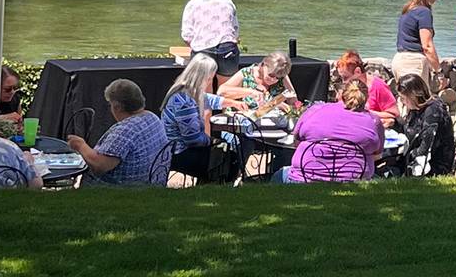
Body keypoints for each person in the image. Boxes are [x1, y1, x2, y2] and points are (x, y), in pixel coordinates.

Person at [279, 79, 384, 183]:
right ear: (365, 98)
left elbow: (297, 142)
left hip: (306, 177)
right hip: (353, 180)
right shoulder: (373, 120)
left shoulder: (315, 110)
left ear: (341, 94)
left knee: (278, 176)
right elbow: (377, 155)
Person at [69, 79, 168, 186]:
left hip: (120, 190)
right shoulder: (152, 117)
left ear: (117, 107)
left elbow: (101, 165)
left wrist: (80, 145)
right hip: (151, 182)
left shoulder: (126, 130)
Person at [163, 54, 242, 183]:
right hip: (179, 153)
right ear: (202, 77)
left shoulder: (188, 91)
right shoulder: (184, 102)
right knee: (229, 158)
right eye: (210, 78)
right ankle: (215, 187)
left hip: (184, 148)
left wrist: (234, 103)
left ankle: (210, 183)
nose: (211, 81)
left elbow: (210, 99)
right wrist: (213, 141)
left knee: (227, 150)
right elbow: (193, 140)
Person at [181, 0, 241, 84]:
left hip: (203, 48)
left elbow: (186, 35)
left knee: (203, 89)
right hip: (227, 46)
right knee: (227, 87)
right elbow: (235, 29)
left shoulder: (192, 4)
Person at [395, 74, 454, 177]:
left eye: (403, 98)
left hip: (433, 164)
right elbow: (408, 130)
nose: (402, 102)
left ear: (413, 96)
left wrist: (406, 154)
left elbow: (426, 147)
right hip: (418, 156)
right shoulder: (417, 108)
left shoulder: (433, 111)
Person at [394, 0, 441, 88]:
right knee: (419, 102)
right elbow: (427, 46)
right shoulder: (424, 12)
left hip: (399, 60)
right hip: (414, 63)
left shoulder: (408, 9)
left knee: (406, 101)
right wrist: (439, 71)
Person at [220, 51, 300, 116]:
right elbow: (221, 92)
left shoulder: (281, 76)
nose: (273, 80)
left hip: (270, 123)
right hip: (241, 121)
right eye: (270, 75)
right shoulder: (246, 73)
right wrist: (249, 92)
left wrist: (288, 108)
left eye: (277, 78)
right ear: (263, 65)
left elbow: (295, 103)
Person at [337, 50, 402, 127]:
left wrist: (367, 112)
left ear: (357, 71)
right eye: (341, 78)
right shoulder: (346, 87)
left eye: (346, 77)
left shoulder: (378, 86)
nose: (344, 81)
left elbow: (393, 114)